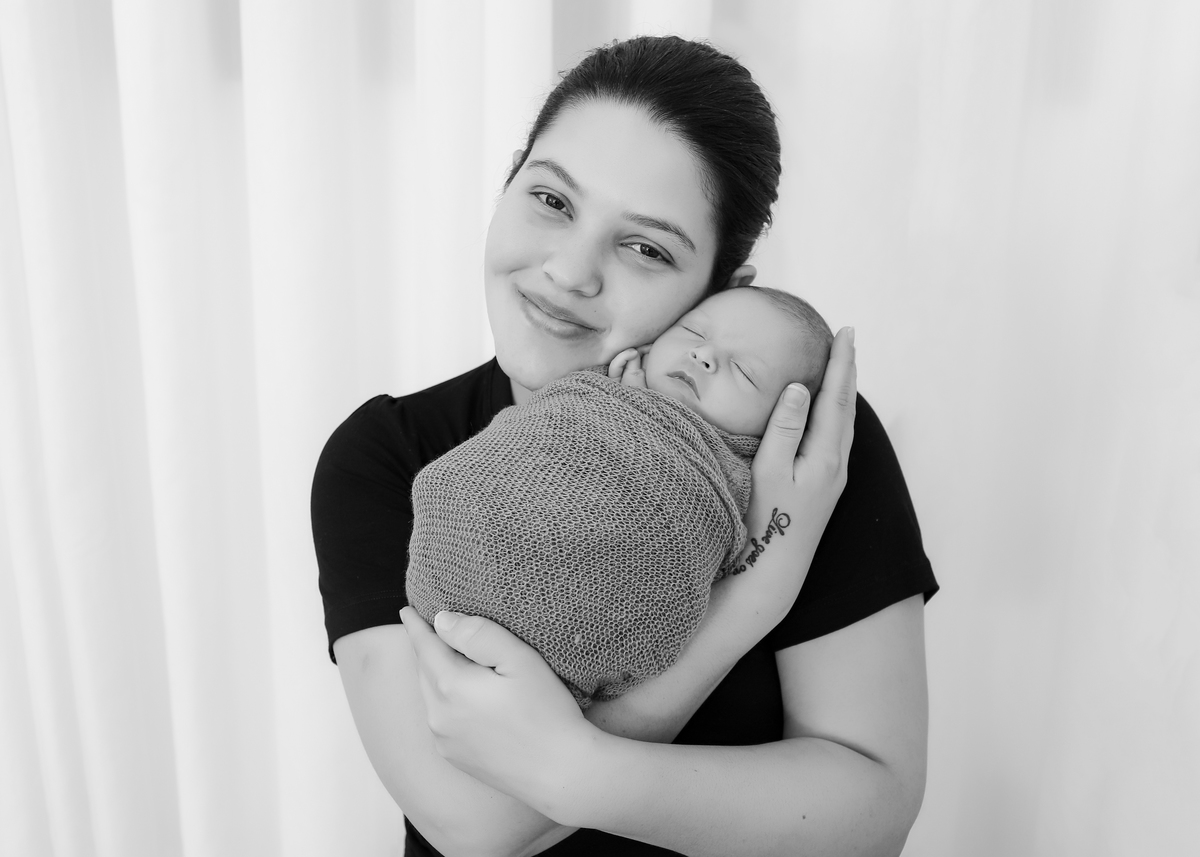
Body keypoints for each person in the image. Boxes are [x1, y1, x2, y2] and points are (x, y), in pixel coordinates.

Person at [313, 35, 937, 857]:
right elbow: (475, 826)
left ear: (721, 292)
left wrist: (578, 768)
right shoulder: (388, 454)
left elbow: (873, 814)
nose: (570, 272)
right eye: (551, 199)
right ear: (506, 185)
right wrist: (752, 596)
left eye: (647, 248)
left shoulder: (800, 448)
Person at [406, 286, 832, 709]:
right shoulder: (595, 391)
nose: (704, 355)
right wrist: (628, 404)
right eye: (694, 332)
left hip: (580, 609)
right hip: (462, 534)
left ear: (783, 421)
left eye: (744, 372)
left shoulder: (775, 477)